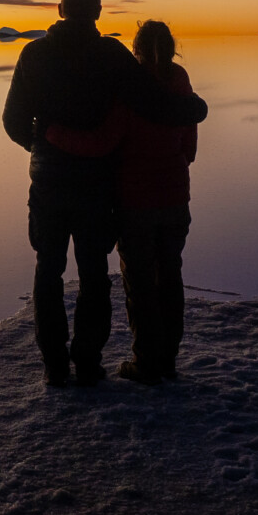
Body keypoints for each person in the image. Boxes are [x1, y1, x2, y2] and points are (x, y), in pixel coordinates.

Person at [2, 0, 207, 387]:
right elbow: (154, 102)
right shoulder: (112, 55)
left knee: (48, 272)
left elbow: (12, 122)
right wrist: (195, 108)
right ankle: (88, 362)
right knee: (94, 272)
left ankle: (56, 367)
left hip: (50, 183)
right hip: (96, 185)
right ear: (97, 12)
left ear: (60, 9)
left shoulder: (34, 54)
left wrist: (44, 147)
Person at [44, 20, 195, 385]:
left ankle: (146, 364)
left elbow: (101, 143)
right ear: (172, 47)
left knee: (141, 284)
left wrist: (52, 133)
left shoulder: (133, 90)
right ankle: (168, 361)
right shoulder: (181, 84)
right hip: (176, 200)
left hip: (136, 205)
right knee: (170, 278)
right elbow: (189, 150)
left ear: (136, 50)